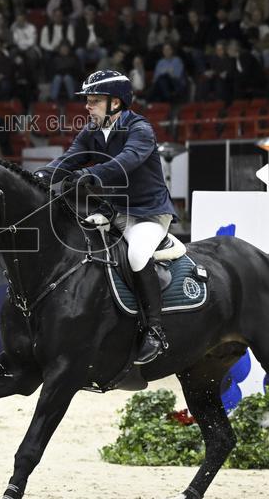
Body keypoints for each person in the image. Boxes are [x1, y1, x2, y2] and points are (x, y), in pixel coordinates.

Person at [35, 70, 179, 365]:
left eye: (94, 101)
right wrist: (40, 176)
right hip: (113, 211)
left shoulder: (140, 129)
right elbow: (69, 158)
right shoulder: (91, 131)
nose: (87, 107)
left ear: (116, 102)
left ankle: (155, 330)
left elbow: (126, 162)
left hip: (148, 213)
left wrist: (90, 174)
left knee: (137, 255)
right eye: (87, 101)